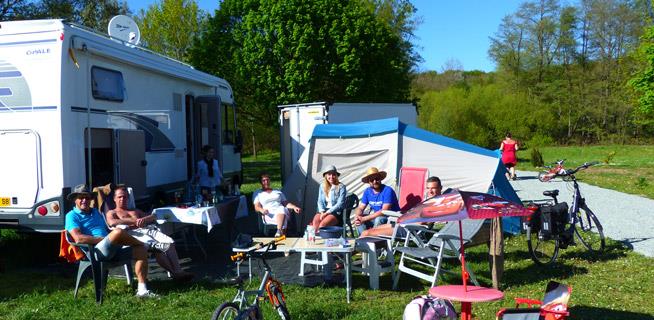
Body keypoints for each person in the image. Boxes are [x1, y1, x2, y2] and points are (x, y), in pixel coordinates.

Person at [64, 184, 157, 298]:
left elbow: (107, 229)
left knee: (140, 250)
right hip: (96, 251)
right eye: (81, 197)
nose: (84, 200)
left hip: (112, 247)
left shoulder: (95, 212)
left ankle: (142, 290)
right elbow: (79, 238)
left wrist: (122, 231)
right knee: (118, 232)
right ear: (75, 199)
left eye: (87, 197)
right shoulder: (71, 215)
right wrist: (107, 238)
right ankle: (144, 243)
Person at [105, 186, 194, 281]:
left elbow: (153, 216)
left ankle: (177, 271)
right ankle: (176, 273)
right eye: (120, 197)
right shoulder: (112, 212)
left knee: (169, 242)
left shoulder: (135, 210)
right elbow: (112, 222)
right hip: (132, 234)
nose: (123, 199)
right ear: (114, 199)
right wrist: (134, 221)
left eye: (125, 197)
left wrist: (144, 219)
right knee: (158, 248)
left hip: (147, 230)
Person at [360, 176, 443, 237]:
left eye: (434, 188)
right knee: (369, 231)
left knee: (367, 233)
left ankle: (352, 253)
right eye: (428, 188)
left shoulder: (438, 204)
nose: (430, 191)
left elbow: (422, 222)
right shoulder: (427, 201)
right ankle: (357, 253)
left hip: (410, 229)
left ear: (440, 188)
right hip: (402, 223)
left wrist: (407, 220)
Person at [354, 167, 400, 235]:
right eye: (372, 180)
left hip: (391, 218)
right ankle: (364, 239)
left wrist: (364, 218)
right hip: (376, 217)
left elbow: (384, 211)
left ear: (380, 179)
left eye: (377, 179)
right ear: (368, 182)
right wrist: (357, 216)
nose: (375, 181)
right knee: (359, 220)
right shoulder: (367, 191)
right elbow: (361, 207)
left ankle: (375, 240)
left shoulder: (388, 190)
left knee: (379, 219)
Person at [311, 165, 347, 230]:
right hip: (324, 210)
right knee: (315, 222)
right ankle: (316, 238)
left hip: (335, 212)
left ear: (336, 176)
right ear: (326, 176)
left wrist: (327, 213)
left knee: (323, 225)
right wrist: (322, 212)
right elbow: (320, 201)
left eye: (333, 174)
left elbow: (340, 204)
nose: (331, 177)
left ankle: (323, 238)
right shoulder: (322, 186)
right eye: (329, 174)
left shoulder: (341, 187)